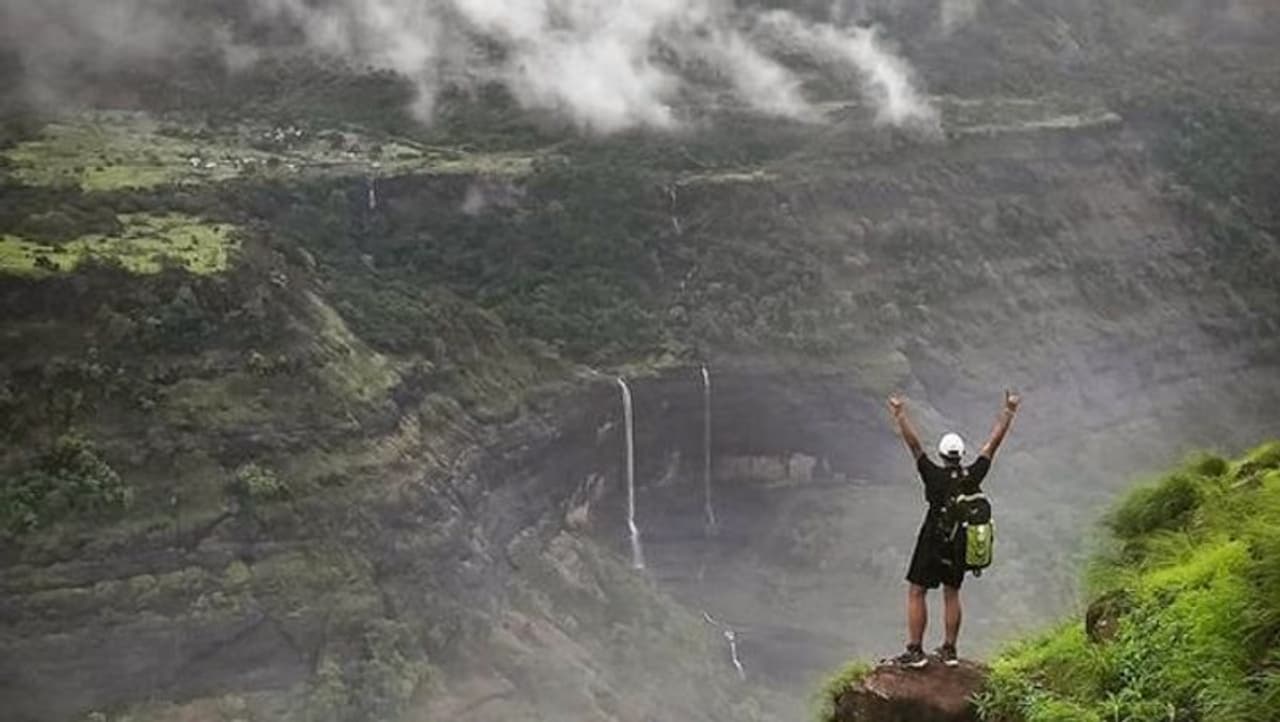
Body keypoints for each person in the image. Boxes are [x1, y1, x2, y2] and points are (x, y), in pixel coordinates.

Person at [883, 390, 1021, 668]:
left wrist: (900, 415)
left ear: (943, 455)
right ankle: (950, 650)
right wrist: (1009, 411)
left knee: (917, 591)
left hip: (932, 539)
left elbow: (915, 446)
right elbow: (992, 445)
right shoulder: (973, 475)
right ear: (960, 455)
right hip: (959, 543)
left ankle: (915, 651)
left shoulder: (933, 475)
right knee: (952, 592)